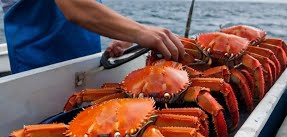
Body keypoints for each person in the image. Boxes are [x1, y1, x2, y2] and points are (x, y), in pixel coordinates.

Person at [1, 0, 185, 74]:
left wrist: (122, 32)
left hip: (84, 69)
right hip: (37, 75)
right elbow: (74, 7)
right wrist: (140, 31)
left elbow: (89, 8)